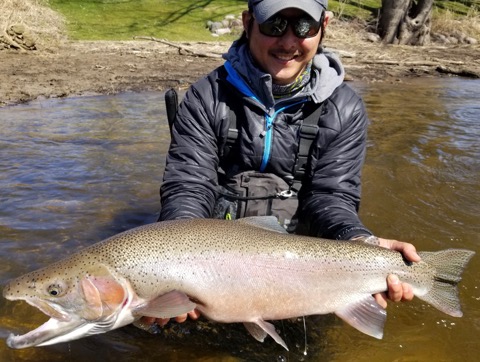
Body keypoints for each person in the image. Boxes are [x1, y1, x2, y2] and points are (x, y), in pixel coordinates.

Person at [147, 0, 420, 327]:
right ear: (248, 23)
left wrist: (360, 241)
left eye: (304, 27)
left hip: (302, 269)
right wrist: (176, 269)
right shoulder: (206, 97)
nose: (289, 42)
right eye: (274, 25)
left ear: (324, 27)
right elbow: (190, 187)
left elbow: (331, 197)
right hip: (212, 265)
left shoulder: (344, 108)